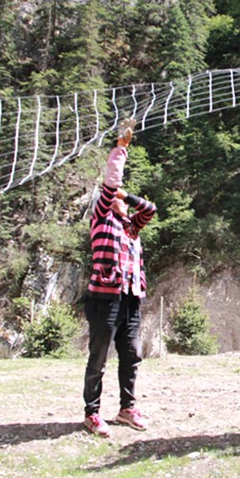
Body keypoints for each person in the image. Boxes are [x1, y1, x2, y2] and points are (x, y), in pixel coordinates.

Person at [82, 118, 157, 438]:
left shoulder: (131, 226)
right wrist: (121, 148)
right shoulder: (101, 218)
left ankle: (127, 408)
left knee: (131, 354)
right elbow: (111, 182)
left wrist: (128, 198)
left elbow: (150, 209)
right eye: (112, 197)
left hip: (130, 297)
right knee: (98, 356)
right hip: (103, 297)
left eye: (118, 199)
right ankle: (92, 413)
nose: (115, 199)